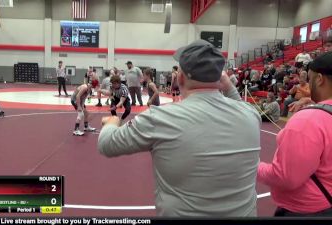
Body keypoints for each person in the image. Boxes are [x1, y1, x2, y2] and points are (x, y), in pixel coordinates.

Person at [98, 40, 261, 217]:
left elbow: (107, 144)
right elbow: (241, 105)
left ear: (181, 77)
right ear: (220, 77)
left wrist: (113, 121)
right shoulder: (251, 116)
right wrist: (228, 86)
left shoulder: (159, 118)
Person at [257, 51, 332, 216]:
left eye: (310, 79)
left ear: (319, 79)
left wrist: (254, 167)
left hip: (306, 210)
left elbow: (286, 177)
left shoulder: (308, 120)